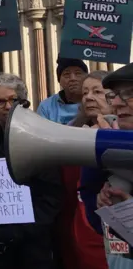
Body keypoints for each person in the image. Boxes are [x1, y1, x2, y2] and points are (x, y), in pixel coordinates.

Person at [0, 73, 62, 269]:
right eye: (0, 102)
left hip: (34, 242)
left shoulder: (41, 131)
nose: (8, 106)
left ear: (22, 102)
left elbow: (52, 189)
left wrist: (26, 228)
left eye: (13, 100)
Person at [58, 71, 111, 269]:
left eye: (97, 91)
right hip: (80, 231)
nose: (88, 97)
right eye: (85, 92)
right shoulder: (70, 134)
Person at [86, 63, 133, 267]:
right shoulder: (102, 145)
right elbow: (96, 222)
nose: (116, 103)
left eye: (129, 94)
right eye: (114, 95)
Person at [37, 56, 88, 125]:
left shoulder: (93, 101)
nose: (72, 78)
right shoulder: (46, 106)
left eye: (78, 73)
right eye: (66, 74)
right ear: (59, 81)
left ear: (87, 77)